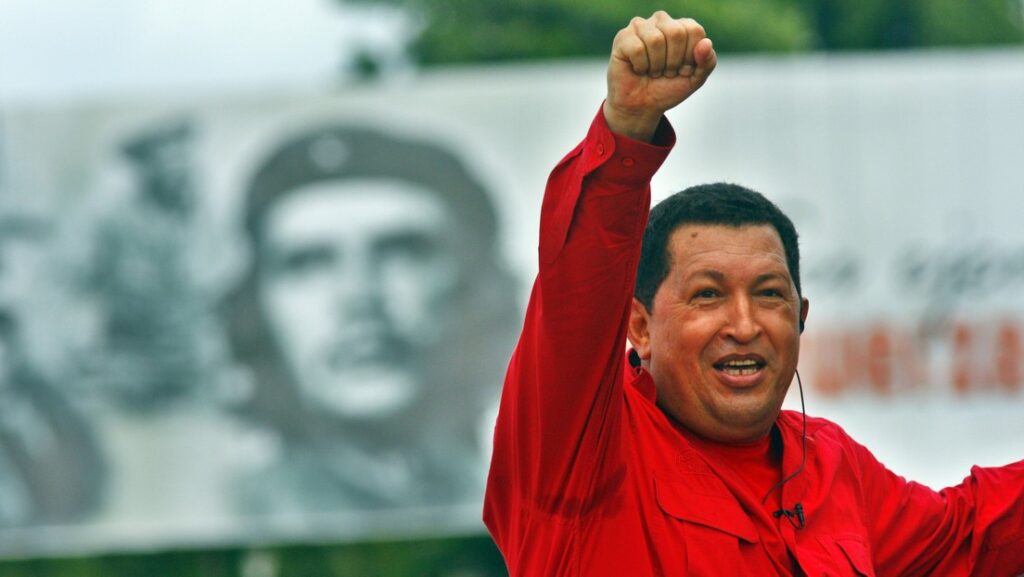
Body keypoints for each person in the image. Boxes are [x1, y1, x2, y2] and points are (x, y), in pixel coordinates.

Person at [483, 11, 1024, 576]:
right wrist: (628, 126)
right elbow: (575, 294)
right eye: (707, 295)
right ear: (639, 326)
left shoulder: (831, 465)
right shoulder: (578, 448)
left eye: (768, 295)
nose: (744, 325)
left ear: (801, 316)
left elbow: (971, 532)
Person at [225, 123, 518, 515]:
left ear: (476, 285)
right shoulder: (228, 513)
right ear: (256, 310)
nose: (359, 296)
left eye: (401, 253)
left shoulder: (543, 501)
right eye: (308, 264)